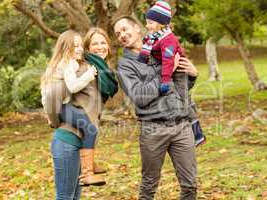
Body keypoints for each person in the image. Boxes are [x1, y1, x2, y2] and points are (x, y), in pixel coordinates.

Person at [113, 16, 198, 199]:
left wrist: (191, 75)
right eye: (118, 34)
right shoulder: (125, 66)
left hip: (181, 125)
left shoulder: (161, 46)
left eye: (125, 29)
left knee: (190, 185)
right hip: (153, 128)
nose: (122, 35)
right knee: (149, 186)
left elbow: (180, 87)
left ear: (136, 28)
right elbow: (139, 97)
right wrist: (164, 71)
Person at [41, 30, 106, 187]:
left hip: (60, 105)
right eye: (74, 46)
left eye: (80, 45)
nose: (79, 49)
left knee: (89, 129)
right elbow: (73, 86)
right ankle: (88, 171)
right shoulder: (68, 63)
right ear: (65, 48)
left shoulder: (65, 62)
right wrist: (89, 75)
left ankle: (88, 164)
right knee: (90, 129)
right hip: (59, 107)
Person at [138, 1, 206, 146]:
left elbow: (168, 62)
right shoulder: (155, 36)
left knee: (183, 100)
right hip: (170, 71)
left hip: (179, 71)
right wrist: (143, 57)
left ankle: (196, 133)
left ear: (160, 23)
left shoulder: (168, 40)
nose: (147, 26)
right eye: (147, 22)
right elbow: (149, 49)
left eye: (150, 23)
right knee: (179, 99)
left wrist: (164, 80)